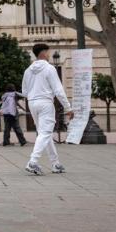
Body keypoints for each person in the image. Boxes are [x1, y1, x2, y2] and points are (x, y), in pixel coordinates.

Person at [21, 43, 73, 175]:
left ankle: (55, 163)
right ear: (43, 53)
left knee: (45, 133)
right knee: (45, 133)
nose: (50, 55)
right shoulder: (50, 69)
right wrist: (68, 107)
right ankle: (33, 162)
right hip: (45, 103)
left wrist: (33, 95)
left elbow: (24, 92)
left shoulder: (28, 70)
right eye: (48, 52)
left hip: (32, 103)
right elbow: (59, 90)